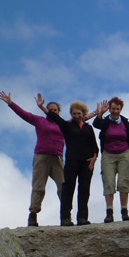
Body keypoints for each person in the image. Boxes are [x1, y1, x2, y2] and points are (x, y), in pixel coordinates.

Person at [0, 91, 64, 227]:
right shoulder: (39, 120)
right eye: (50, 110)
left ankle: (65, 215)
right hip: (41, 156)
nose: (53, 112)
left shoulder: (63, 124)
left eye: (55, 110)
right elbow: (23, 114)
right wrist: (10, 103)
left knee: (63, 186)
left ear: (59, 112)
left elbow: (80, 120)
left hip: (57, 158)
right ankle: (33, 214)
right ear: (47, 111)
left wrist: (95, 113)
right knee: (38, 187)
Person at [40, 95, 99, 226]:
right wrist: (42, 107)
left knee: (84, 190)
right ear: (71, 114)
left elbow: (95, 146)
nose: (76, 115)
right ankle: (65, 218)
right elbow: (55, 117)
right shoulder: (66, 126)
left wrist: (94, 158)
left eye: (79, 113)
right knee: (68, 189)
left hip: (87, 163)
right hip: (72, 162)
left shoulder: (89, 128)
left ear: (83, 114)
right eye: (74, 113)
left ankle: (82, 218)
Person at [93, 97, 129, 222]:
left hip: (125, 154)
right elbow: (96, 124)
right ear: (109, 109)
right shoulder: (105, 122)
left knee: (124, 182)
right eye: (113, 109)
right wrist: (100, 114)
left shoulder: (125, 123)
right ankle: (109, 212)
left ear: (121, 109)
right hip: (108, 154)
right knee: (109, 182)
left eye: (117, 109)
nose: (115, 111)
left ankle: (124, 211)